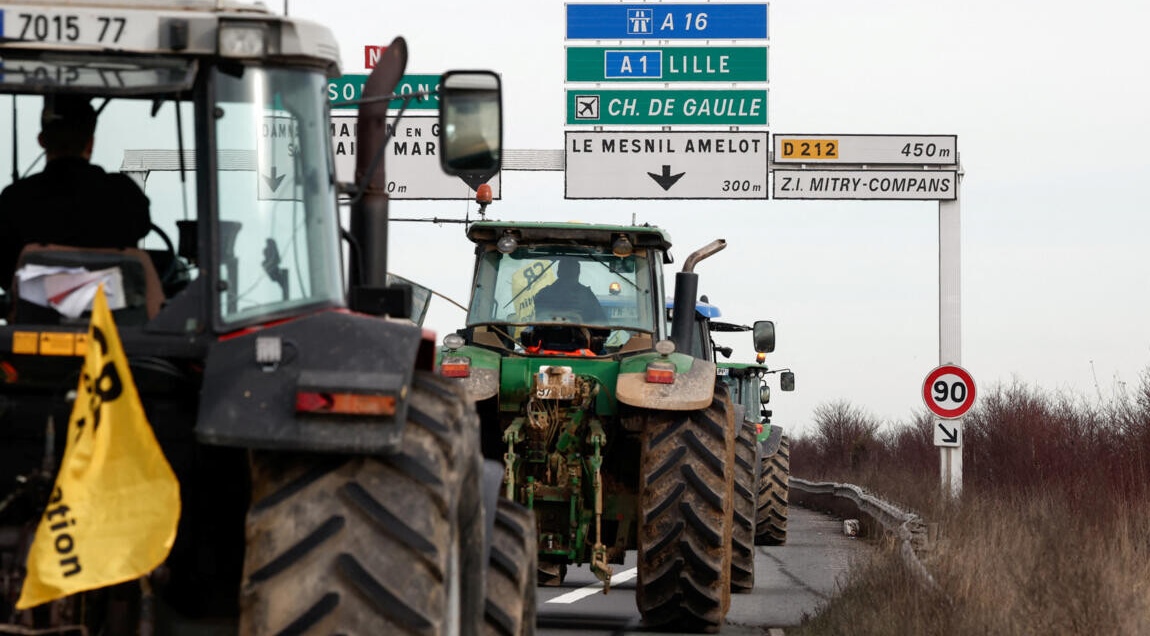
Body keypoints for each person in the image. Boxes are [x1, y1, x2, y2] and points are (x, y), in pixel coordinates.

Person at [0, 96, 151, 293]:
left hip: (35, 318)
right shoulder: (125, 193)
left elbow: (5, 274)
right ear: (90, 143)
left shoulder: (15, 198)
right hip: (115, 317)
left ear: (41, 140)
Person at [532, 257, 607, 323]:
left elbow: (601, 324)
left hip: (580, 336)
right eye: (567, 274)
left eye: (572, 274)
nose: (569, 279)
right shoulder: (544, 294)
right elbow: (539, 318)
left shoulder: (586, 295)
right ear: (559, 273)